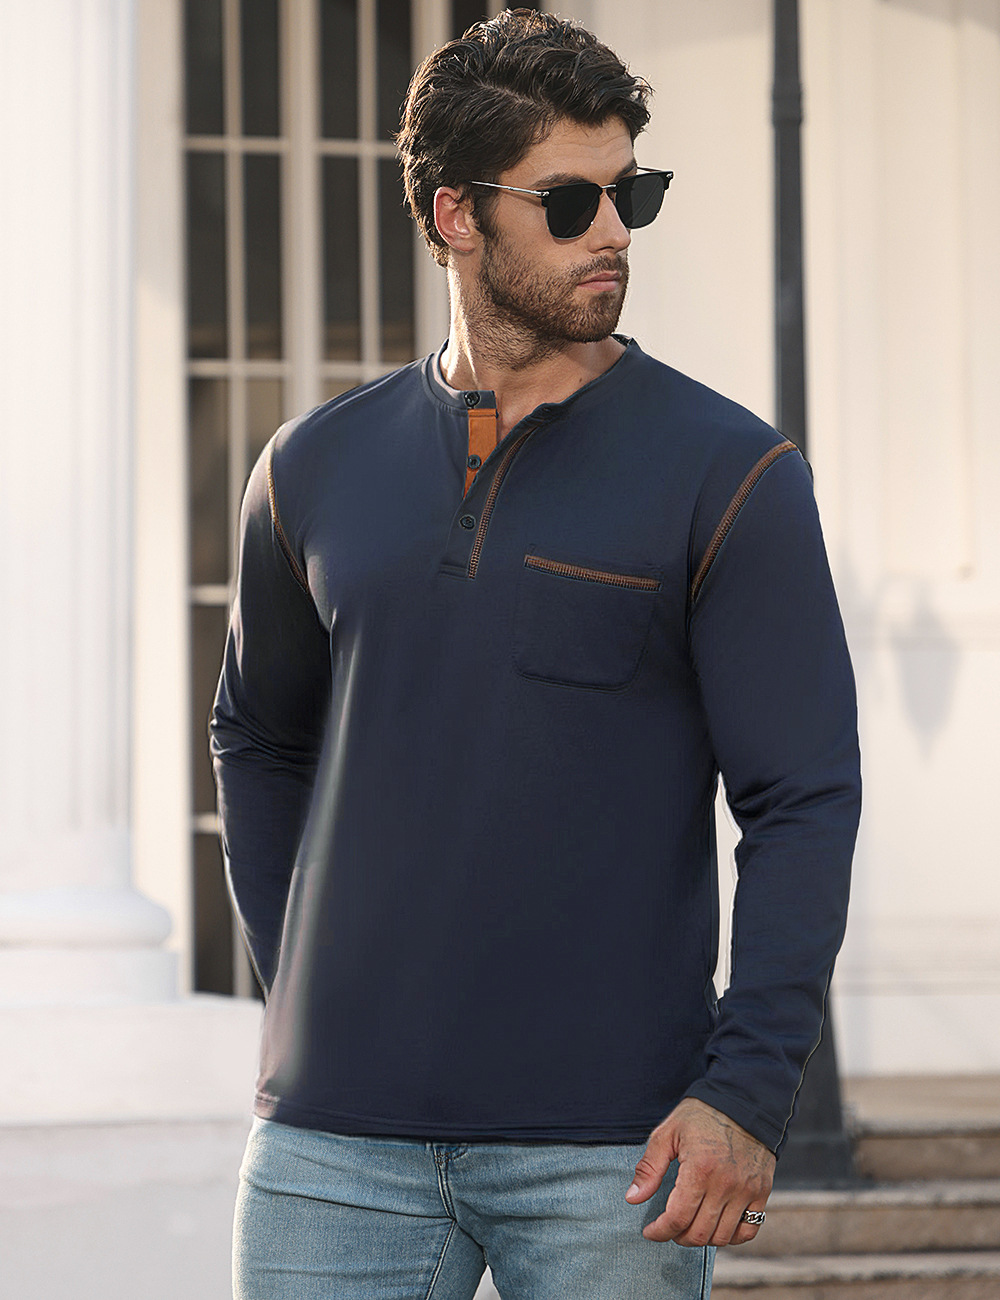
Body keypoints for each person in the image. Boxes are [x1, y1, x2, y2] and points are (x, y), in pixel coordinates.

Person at [211, 10, 861, 1298]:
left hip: (613, 1151)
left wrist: (748, 1089)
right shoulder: (311, 468)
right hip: (333, 1152)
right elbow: (259, 739)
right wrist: (305, 994)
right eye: (571, 202)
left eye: (632, 194)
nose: (613, 231)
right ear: (454, 214)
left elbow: (802, 800)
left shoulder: (731, 474)